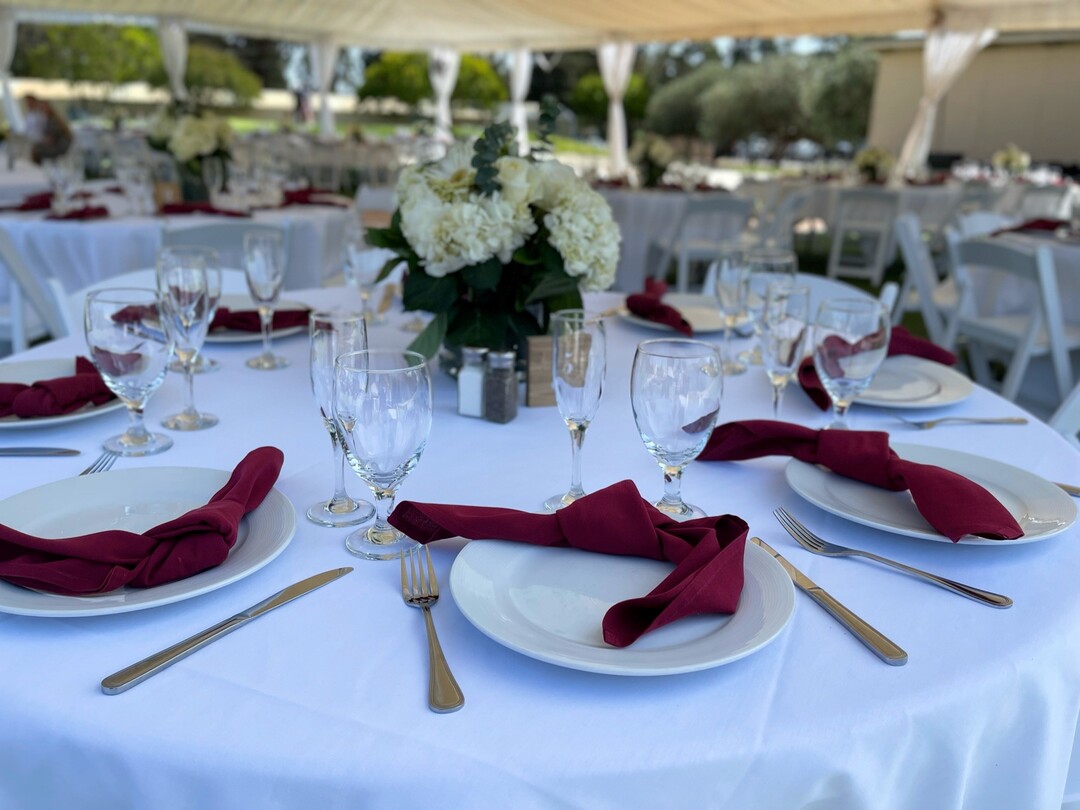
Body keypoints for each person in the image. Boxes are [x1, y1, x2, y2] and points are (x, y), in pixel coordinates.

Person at [23, 95, 73, 164]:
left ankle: (39, 168)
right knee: (35, 149)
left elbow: (50, 139)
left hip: (60, 148)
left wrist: (39, 142)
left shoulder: (52, 121)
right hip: (60, 146)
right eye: (40, 108)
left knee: (37, 150)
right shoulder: (50, 118)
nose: (41, 110)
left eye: (42, 108)